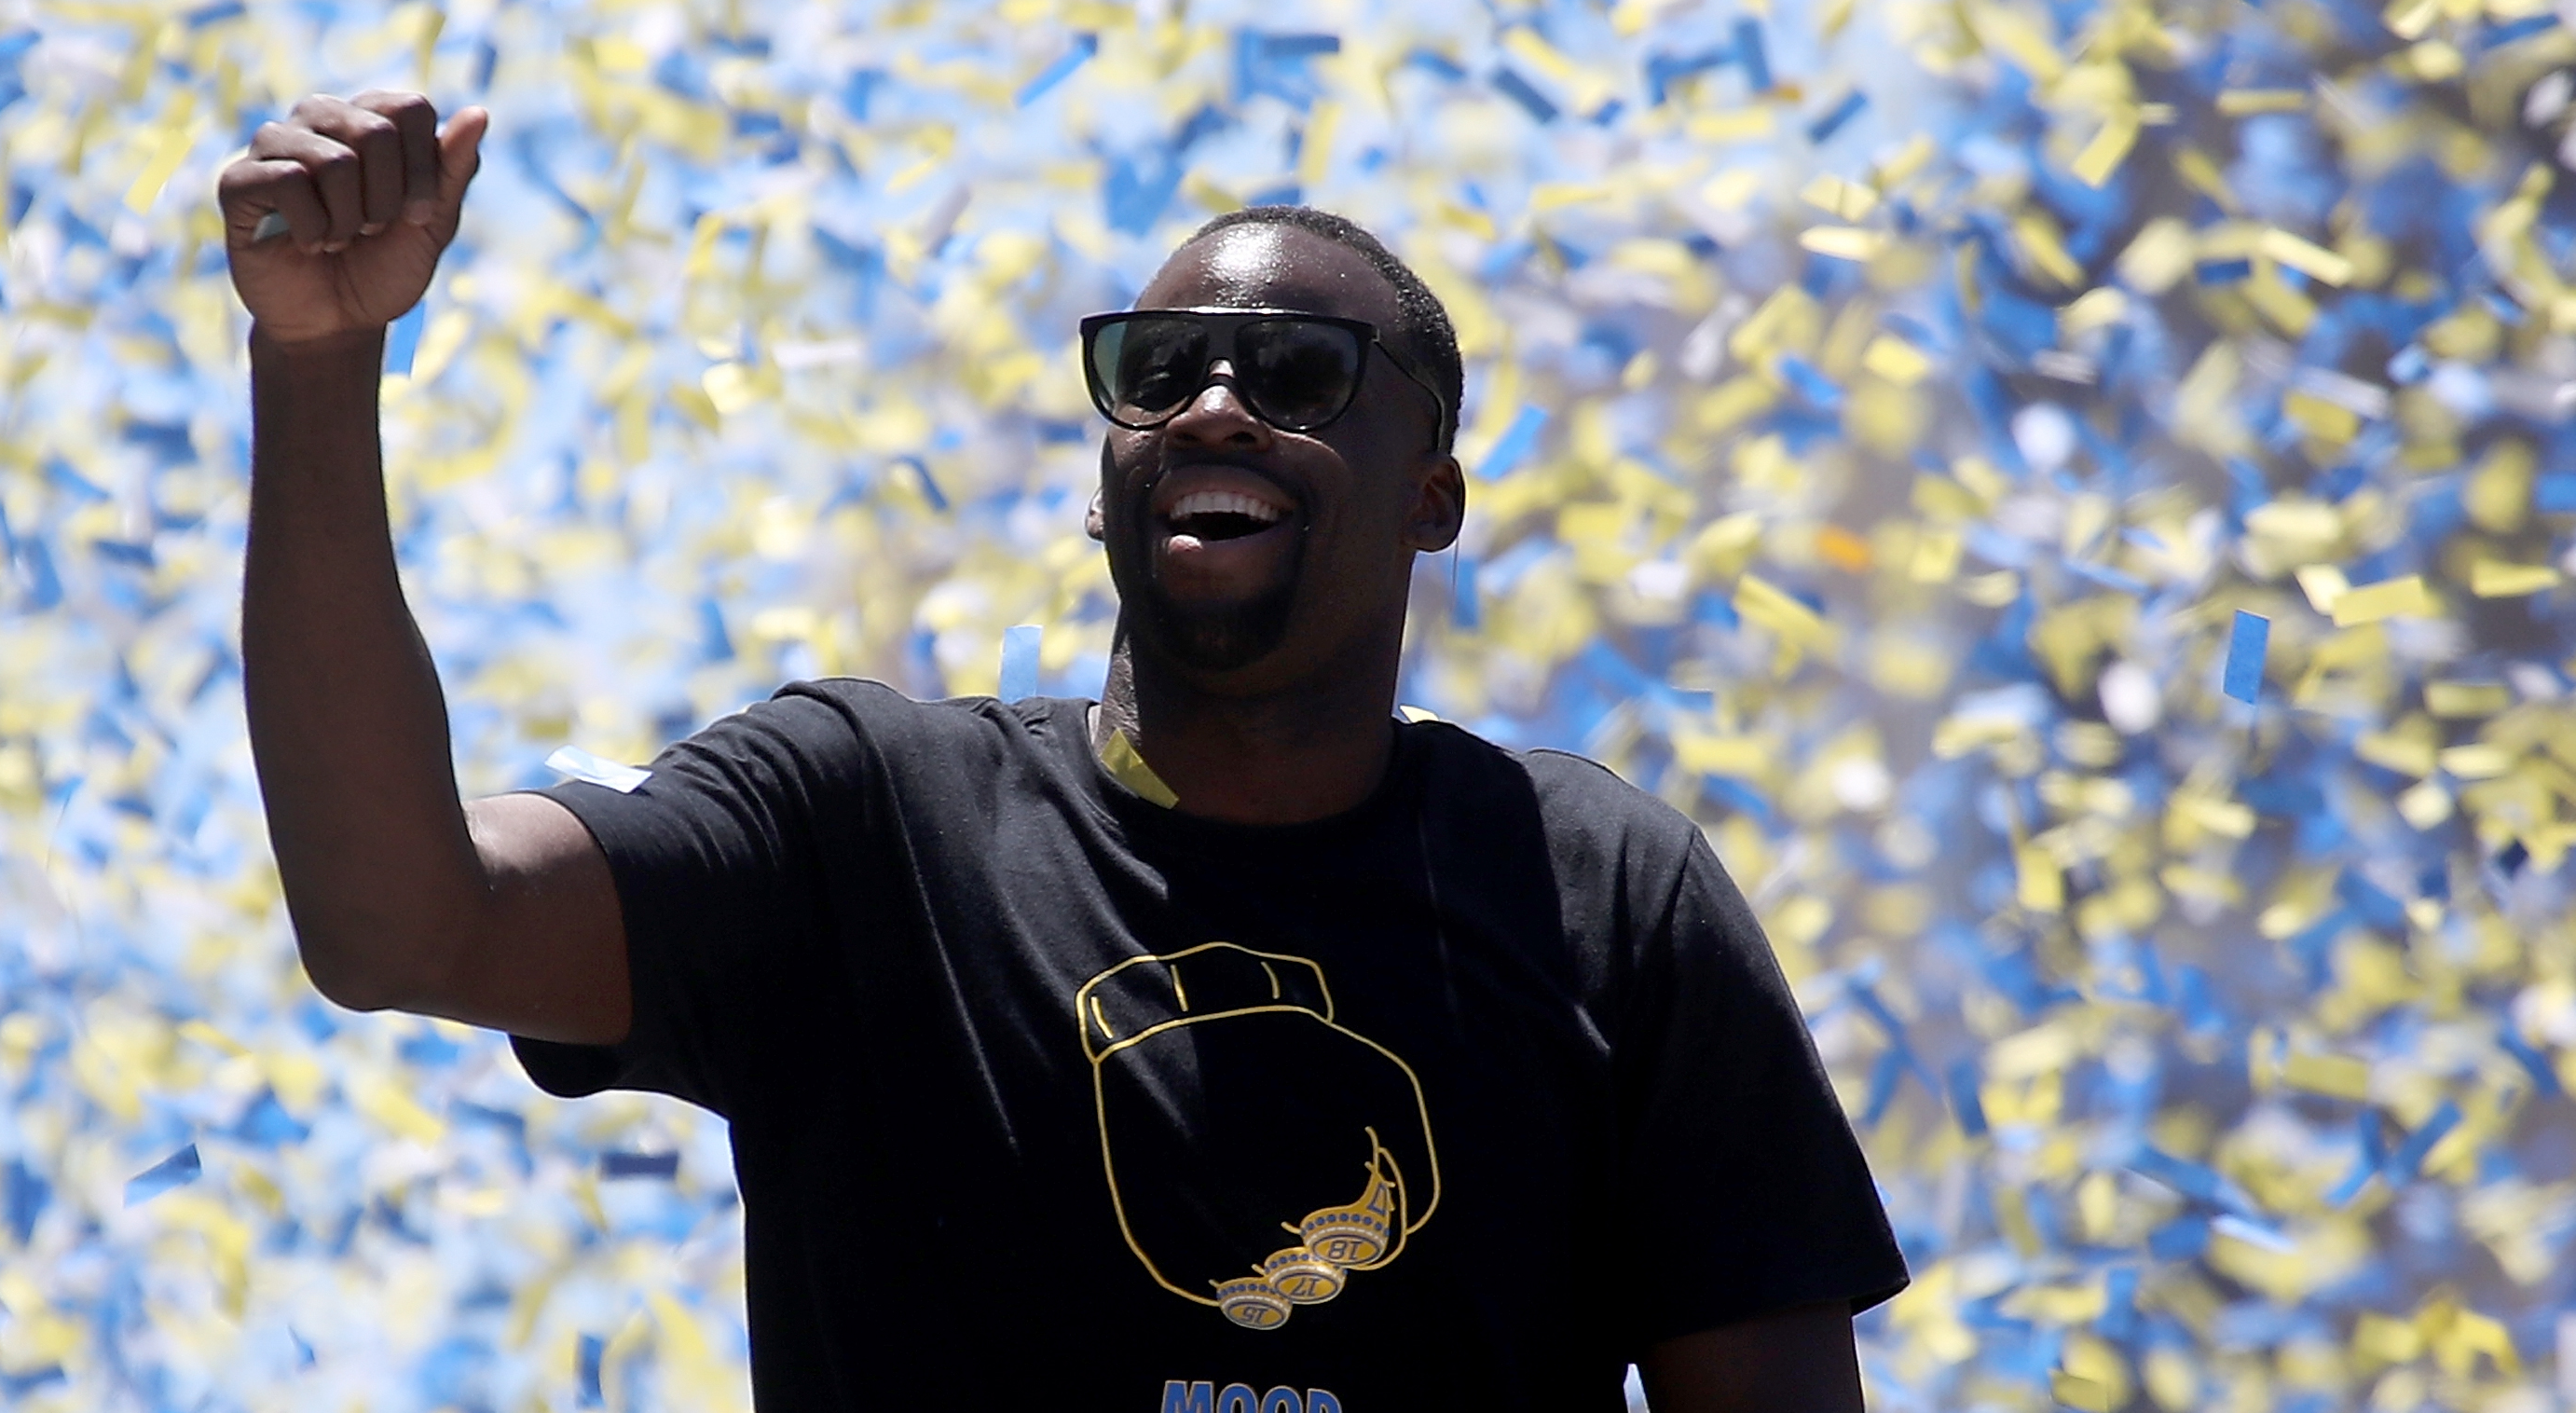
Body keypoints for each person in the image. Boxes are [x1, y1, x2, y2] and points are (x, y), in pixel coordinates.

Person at [219, 89, 1907, 1413]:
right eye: (1158, 370)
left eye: (1301, 371)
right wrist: (314, 358)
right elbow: (399, 924)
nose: (1216, 403)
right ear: (1105, 483)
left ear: (1432, 494)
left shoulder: (1603, 890)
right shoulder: (864, 825)